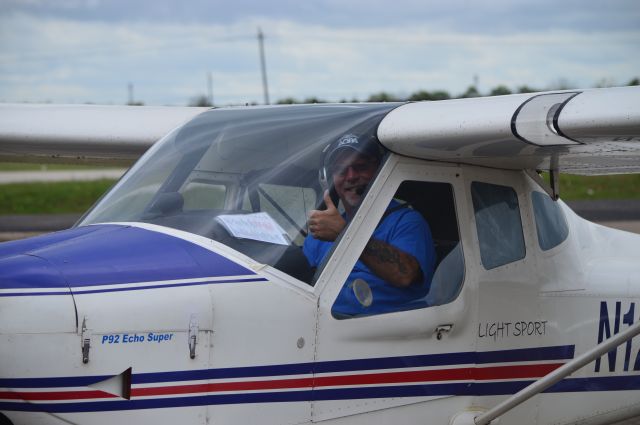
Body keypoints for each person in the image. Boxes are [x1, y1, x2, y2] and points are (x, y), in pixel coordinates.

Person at [303, 133, 436, 316]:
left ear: (379, 171)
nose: (350, 177)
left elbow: (404, 275)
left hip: (387, 333)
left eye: (360, 167)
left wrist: (344, 233)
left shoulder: (407, 222)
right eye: (341, 170)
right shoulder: (320, 231)